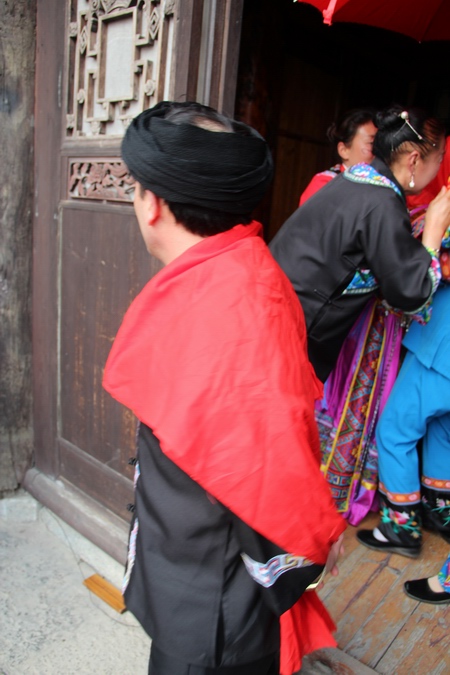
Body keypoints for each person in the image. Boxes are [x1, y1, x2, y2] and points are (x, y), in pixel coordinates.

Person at [103, 101, 346, 675]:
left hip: (212, 594)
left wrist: (314, 535)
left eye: (137, 188)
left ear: (152, 204)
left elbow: (266, 465)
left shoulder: (231, 305)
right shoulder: (238, 267)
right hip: (191, 558)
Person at [270, 105, 450, 524]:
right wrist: (434, 229)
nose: (441, 168)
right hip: (299, 331)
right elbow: (411, 294)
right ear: (414, 160)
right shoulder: (382, 203)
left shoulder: (356, 180)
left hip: (282, 318)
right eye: (440, 158)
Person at [357, 281, 450, 557]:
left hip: (443, 344)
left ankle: (401, 528)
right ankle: (439, 510)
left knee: (395, 432)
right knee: (441, 430)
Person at [299, 108, 377, 206]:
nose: (379, 150)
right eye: (372, 143)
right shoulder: (325, 185)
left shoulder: (384, 184)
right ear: (344, 150)